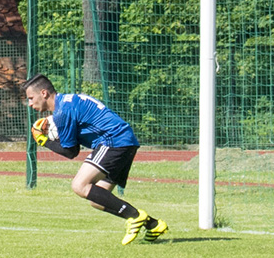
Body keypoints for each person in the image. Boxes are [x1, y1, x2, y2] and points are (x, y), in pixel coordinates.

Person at [23, 74, 167, 244]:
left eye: (31, 98)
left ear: (44, 93)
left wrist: (43, 140)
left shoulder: (62, 112)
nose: (30, 104)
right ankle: (153, 224)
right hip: (125, 140)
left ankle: (135, 216)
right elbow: (74, 147)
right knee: (97, 199)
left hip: (114, 141)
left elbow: (70, 152)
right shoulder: (69, 101)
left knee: (79, 185)